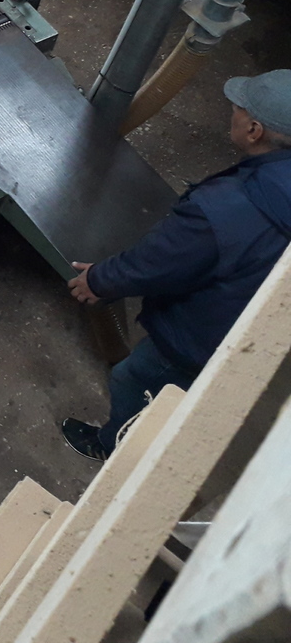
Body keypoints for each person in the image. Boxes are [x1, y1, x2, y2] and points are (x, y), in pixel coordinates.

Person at [62, 69, 291, 460]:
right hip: (260, 327)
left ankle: (114, 448)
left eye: (239, 108)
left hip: (203, 338)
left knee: (135, 380)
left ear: (254, 130)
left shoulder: (226, 209)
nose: (232, 112)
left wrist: (99, 280)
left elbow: (157, 262)